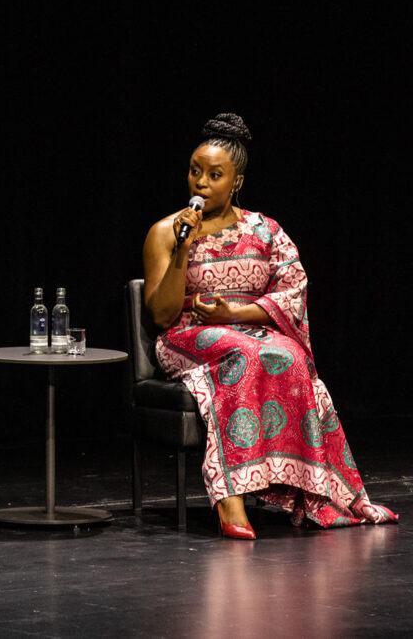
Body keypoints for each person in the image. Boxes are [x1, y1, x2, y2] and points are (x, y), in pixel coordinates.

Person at [142, 113, 397, 539]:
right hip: (188, 336)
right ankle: (230, 495)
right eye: (194, 171)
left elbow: (293, 292)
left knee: (289, 354)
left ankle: (304, 488)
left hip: (245, 328)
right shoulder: (166, 232)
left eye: (214, 175)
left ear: (237, 181)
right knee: (243, 354)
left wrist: (235, 314)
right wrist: (184, 246)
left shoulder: (266, 229)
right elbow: (162, 316)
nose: (200, 183)